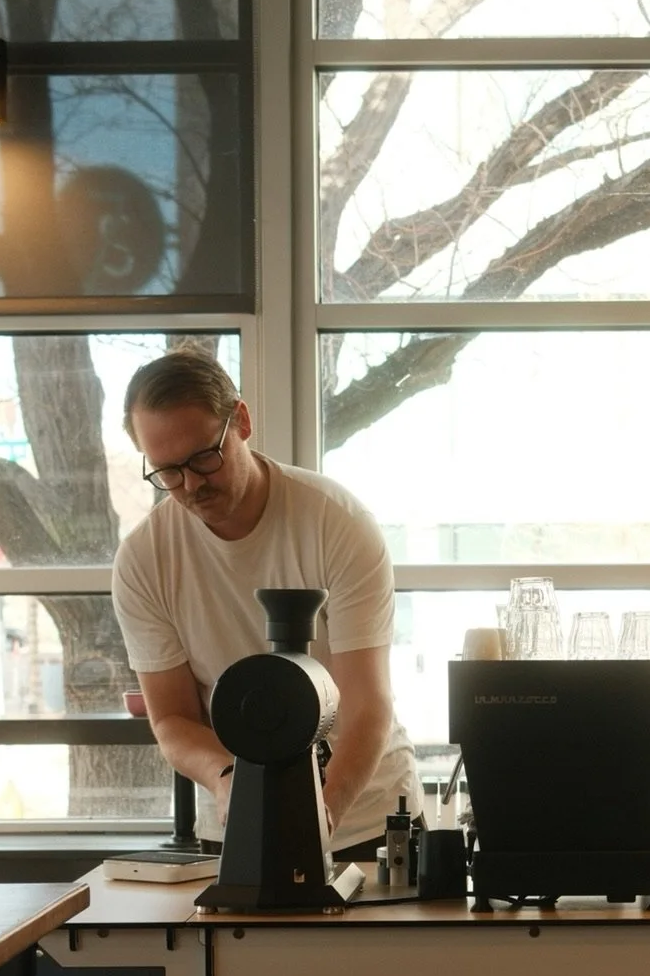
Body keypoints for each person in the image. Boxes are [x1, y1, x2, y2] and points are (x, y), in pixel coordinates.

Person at [111, 349, 420, 854]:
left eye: (203, 458)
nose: (191, 485)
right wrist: (228, 778)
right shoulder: (144, 559)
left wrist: (319, 817)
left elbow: (367, 704)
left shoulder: (335, 521)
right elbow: (171, 720)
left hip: (371, 821)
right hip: (239, 822)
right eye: (167, 472)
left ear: (242, 421)